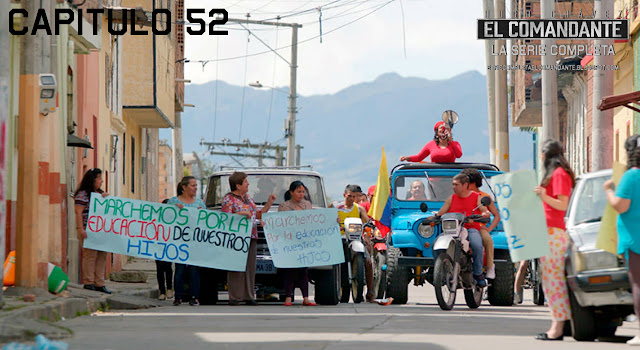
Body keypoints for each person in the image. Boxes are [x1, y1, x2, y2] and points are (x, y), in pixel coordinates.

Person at [533, 139, 576, 341]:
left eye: (542, 153)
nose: (541, 157)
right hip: (549, 233)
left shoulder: (558, 174)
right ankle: (558, 324)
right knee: (551, 282)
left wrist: (543, 196)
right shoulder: (557, 174)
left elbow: (562, 205)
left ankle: (557, 327)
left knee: (554, 282)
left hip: (554, 234)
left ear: (546, 155)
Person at [603, 134, 640, 345]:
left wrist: (609, 191)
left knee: (638, 285)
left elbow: (620, 205)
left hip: (635, 240)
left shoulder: (631, 177)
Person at [221, 172, 276, 305]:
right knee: (236, 267)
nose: (248, 184)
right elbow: (225, 218)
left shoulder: (248, 198)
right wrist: (240, 213)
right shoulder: (229, 199)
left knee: (250, 267)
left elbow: (258, 214)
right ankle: (235, 296)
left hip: (251, 235)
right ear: (238, 185)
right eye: (246, 182)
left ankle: (249, 295)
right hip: (237, 237)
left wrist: (269, 203)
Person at [430, 174, 490, 287]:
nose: (453, 187)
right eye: (453, 184)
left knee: (477, 245)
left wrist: (484, 214)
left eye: (456, 184)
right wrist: (433, 218)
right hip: (452, 230)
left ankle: (478, 274)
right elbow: (441, 212)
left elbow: (483, 210)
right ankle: (440, 271)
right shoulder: (451, 198)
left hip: (470, 229)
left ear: (465, 185)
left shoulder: (477, 197)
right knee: (435, 244)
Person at [278, 181, 317, 306]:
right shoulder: (284, 206)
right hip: (290, 242)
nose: (301, 194)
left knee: (303, 271)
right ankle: (288, 297)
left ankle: (306, 298)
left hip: (304, 242)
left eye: (302, 192)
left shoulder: (307, 204)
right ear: (291, 192)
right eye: (298, 192)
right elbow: (282, 223)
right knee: (289, 270)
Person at [168, 176, 205, 306]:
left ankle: (195, 296)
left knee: (194, 269)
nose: (195, 188)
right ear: (184, 187)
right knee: (180, 269)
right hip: (179, 241)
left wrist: (202, 215)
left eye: (196, 185)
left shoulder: (200, 203)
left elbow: (206, 224)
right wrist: (174, 211)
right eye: (193, 185)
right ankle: (178, 296)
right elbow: (165, 219)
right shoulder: (172, 202)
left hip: (194, 241)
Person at [74, 168, 112, 294]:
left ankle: (99, 282)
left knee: (102, 256)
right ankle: (89, 282)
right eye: (99, 179)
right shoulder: (82, 195)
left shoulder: (100, 194)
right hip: (88, 229)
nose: (101, 181)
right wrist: (80, 229)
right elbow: (78, 212)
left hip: (101, 231)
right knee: (90, 256)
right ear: (92, 180)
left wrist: (107, 199)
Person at [460, 168, 501, 279]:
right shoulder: (461, 194)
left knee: (487, 240)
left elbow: (496, 215)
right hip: (461, 226)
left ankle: (490, 266)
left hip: (479, 226)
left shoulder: (484, 196)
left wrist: (489, 228)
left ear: (472, 183)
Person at [337, 184, 375, 302]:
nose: (351, 198)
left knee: (368, 261)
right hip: (339, 238)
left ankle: (370, 291)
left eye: (354, 196)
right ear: (344, 195)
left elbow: (367, 221)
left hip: (356, 238)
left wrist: (370, 226)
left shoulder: (359, 208)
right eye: (349, 196)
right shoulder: (335, 207)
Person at [156, 199, 174, 301]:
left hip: (169, 246)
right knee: (160, 268)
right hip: (158, 245)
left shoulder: (174, 218)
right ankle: (162, 291)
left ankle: (169, 289)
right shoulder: (157, 218)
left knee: (167, 267)